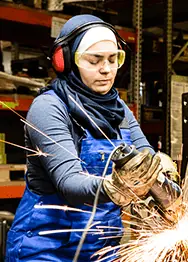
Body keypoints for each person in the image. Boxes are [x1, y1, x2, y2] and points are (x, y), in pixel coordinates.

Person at [5, 14, 163, 262]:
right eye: (95, 60)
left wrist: (164, 177)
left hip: (101, 249)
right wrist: (113, 188)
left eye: (113, 59)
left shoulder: (119, 110)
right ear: (66, 61)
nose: (107, 69)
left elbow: (147, 157)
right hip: (46, 248)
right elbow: (68, 181)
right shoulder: (49, 108)